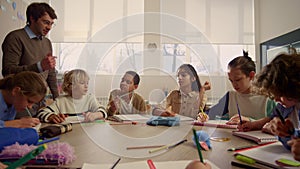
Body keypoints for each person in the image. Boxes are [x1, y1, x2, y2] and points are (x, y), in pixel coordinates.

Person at [2, 2, 59, 101]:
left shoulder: (47, 42)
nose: (49, 27)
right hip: (21, 101)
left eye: (51, 24)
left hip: (40, 100)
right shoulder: (15, 38)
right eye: (45, 22)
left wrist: (57, 99)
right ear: (32, 18)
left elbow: (50, 72)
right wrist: (39, 67)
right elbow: (8, 71)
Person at [205, 51, 276, 125]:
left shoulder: (267, 98)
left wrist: (250, 121)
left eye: (238, 80)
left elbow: (276, 122)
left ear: (251, 76)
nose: (234, 84)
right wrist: (204, 116)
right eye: (231, 80)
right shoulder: (230, 96)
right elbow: (211, 113)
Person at [253, 53, 300, 161]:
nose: (276, 100)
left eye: (280, 94)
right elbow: (293, 143)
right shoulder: (286, 107)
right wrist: (285, 133)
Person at [37, 69, 107, 123]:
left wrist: (96, 115)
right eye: (82, 83)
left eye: (87, 83)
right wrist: (51, 116)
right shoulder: (60, 101)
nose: (86, 86)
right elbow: (41, 113)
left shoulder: (90, 98)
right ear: (71, 86)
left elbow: (103, 111)